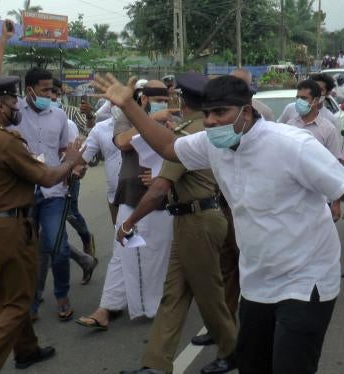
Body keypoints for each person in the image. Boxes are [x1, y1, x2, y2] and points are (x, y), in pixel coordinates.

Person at [95, 73, 344, 374]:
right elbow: (169, 148)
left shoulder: (292, 145)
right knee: (252, 366)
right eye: (207, 113)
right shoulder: (213, 144)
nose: (210, 121)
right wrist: (129, 106)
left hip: (306, 281)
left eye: (221, 112)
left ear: (246, 112)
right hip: (258, 283)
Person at [117, 72, 238, 374]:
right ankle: (156, 364)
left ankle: (233, 350)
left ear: (180, 99)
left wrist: (129, 222)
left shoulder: (185, 137)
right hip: (194, 218)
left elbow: (158, 189)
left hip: (196, 221)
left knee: (209, 295)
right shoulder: (199, 129)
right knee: (175, 294)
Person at [0, 75, 84, 372]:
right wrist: (71, 160)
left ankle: (26, 350)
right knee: (17, 303)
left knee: (6, 295)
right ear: (0, 106)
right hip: (8, 229)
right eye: (12, 101)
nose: (16, 106)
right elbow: (47, 177)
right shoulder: (5, 141)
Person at [75, 79, 173, 329]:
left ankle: (153, 305)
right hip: (130, 197)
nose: (161, 101)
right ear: (143, 99)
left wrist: (163, 174)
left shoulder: (175, 118)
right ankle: (106, 309)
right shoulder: (124, 117)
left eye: (165, 96)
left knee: (155, 255)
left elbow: (181, 152)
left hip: (162, 199)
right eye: (154, 96)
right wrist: (151, 120)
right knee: (123, 251)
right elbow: (122, 142)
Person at [16, 67, 74, 321]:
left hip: (53, 192)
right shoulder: (14, 112)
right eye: (45, 90)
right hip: (22, 194)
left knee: (58, 248)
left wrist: (74, 165)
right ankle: (31, 304)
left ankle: (62, 294)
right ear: (29, 90)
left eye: (52, 89)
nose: (51, 94)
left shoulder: (59, 116)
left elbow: (64, 149)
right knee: (26, 254)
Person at [52, 79, 96, 257]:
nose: (51, 96)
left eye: (55, 92)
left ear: (61, 94)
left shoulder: (70, 114)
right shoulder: (29, 117)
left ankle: (86, 238)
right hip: (43, 173)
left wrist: (90, 116)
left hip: (69, 171)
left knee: (70, 212)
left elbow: (89, 128)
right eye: (47, 92)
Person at [287, 79, 341, 221]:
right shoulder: (289, 126)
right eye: (297, 98)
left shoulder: (328, 129)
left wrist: (336, 202)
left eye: (304, 98)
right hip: (293, 199)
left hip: (321, 199)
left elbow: (336, 166)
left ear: (316, 101)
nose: (299, 101)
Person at [81, 116, 122, 224]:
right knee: (120, 234)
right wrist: (71, 165)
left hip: (145, 195)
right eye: (113, 101)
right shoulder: (100, 128)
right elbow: (82, 157)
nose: (117, 104)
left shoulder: (146, 123)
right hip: (115, 196)